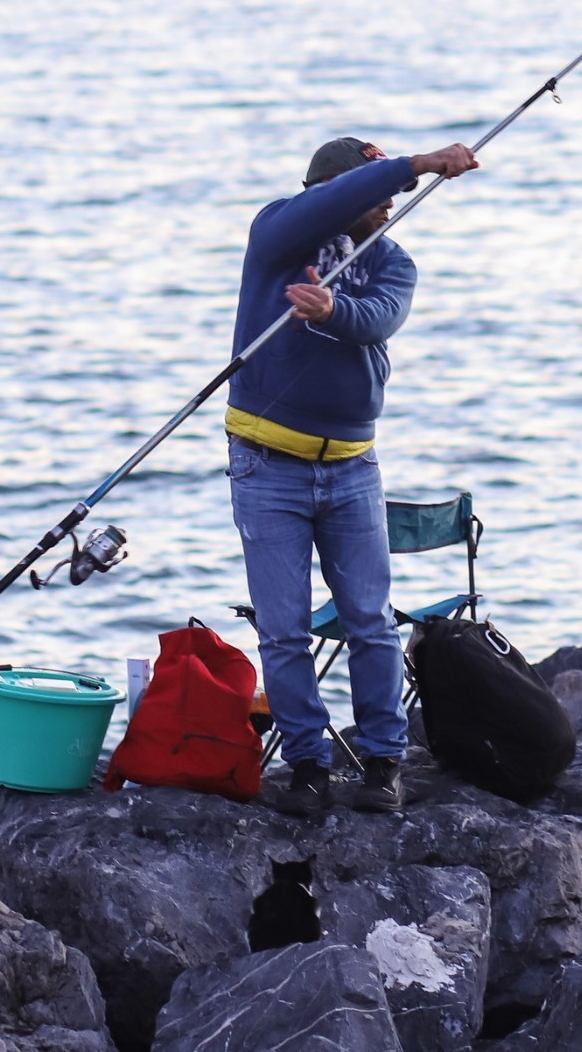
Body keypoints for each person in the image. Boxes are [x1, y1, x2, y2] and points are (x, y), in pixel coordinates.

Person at [226, 136, 479, 816]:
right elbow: (328, 201)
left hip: (351, 468)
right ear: (337, 192)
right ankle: (307, 763)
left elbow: (378, 321)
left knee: (370, 622)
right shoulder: (278, 233)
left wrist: (332, 310)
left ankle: (382, 761)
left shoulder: (394, 261)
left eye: (391, 188)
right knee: (283, 629)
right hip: (265, 465)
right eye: (375, 189)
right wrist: (418, 163)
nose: (390, 201)